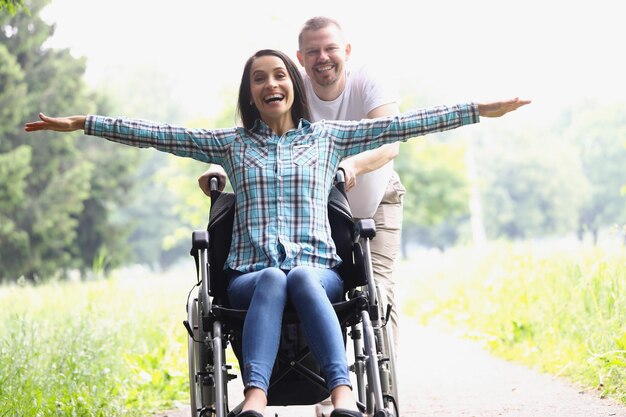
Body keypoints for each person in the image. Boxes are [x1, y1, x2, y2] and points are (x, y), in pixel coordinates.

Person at [24, 48, 530, 417]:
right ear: (250, 92)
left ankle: (342, 396)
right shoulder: (233, 145)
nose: (272, 85)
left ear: (294, 84)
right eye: (260, 79)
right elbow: (158, 134)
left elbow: (408, 125)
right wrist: (82, 123)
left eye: (280, 75)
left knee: (305, 278)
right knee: (272, 277)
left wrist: (480, 110)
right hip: (248, 276)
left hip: (320, 274)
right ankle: (256, 398)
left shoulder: (329, 138)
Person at [198, 17, 407, 357]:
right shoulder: (288, 87)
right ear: (301, 59)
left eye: (330, 49)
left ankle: (383, 376)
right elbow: (246, 139)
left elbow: (390, 141)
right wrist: (215, 166)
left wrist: (352, 164)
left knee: (377, 287)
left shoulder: (369, 80)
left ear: (347, 51)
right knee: (303, 280)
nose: (322, 57)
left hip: (374, 199)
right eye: (313, 52)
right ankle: (323, 393)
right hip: (316, 209)